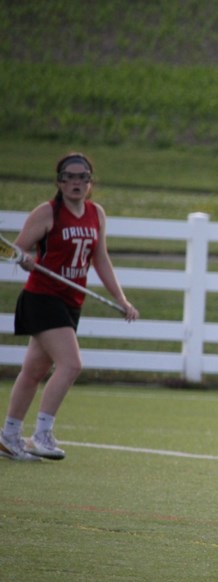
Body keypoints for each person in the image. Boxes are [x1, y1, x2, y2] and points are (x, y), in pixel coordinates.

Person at [1, 152, 139, 462]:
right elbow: (17, 251)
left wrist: (121, 299)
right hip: (42, 298)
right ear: (59, 181)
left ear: (91, 183)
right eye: (70, 176)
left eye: (83, 177)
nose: (76, 182)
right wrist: (25, 260)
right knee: (72, 364)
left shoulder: (96, 214)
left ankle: (9, 436)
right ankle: (41, 435)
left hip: (71, 301)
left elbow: (100, 259)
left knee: (34, 370)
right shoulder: (47, 213)